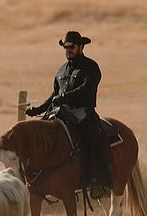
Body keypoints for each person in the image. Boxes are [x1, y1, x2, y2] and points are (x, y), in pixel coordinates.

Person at [25, 30, 111, 198]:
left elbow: (86, 89)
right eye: (65, 47)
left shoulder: (91, 67)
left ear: (80, 47)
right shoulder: (61, 70)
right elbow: (54, 95)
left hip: (83, 113)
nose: (68, 50)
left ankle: (96, 180)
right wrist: (38, 110)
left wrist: (63, 98)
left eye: (71, 47)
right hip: (61, 112)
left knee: (91, 139)